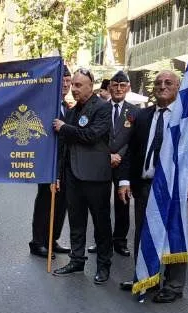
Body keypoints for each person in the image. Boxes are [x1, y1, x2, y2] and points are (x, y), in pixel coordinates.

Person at [117, 71, 188, 301]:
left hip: (176, 189)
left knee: (174, 234)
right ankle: (145, 276)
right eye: (158, 83)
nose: (162, 86)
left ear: (179, 86)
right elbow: (131, 151)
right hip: (145, 186)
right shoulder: (142, 116)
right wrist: (125, 180)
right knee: (143, 232)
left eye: (168, 83)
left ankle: (174, 286)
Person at [52, 68, 114, 284]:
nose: (74, 89)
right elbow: (63, 146)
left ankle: (103, 266)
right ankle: (76, 260)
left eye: (78, 85)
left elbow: (91, 135)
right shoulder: (71, 111)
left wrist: (65, 128)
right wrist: (58, 174)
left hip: (96, 178)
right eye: (73, 85)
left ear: (90, 86)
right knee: (76, 223)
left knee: (101, 224)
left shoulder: (103, 109)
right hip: (73, 177)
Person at [88, 71, 137, 257]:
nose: (118, 89)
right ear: (109, 88)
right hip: (101, 162)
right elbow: (94, 136)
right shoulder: (99, 108)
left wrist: (119, 155)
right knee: (99, 205)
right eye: (115, 85)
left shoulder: (135, 112)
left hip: (123, 165)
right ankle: (101, 240)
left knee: (123, 205)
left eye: (122, 85)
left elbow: (134, 140)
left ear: (128, 88)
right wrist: (108, 155)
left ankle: (120, 241)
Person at [29, 64, 71, 258]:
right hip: (48, 163)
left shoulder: (66, 107)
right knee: (46, 203)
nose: (65, 84)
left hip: (65, 164)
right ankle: (37, 242)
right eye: (62, 80)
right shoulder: (47, 106)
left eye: (68, 81)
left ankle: (51, 239)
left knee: (61, 204)